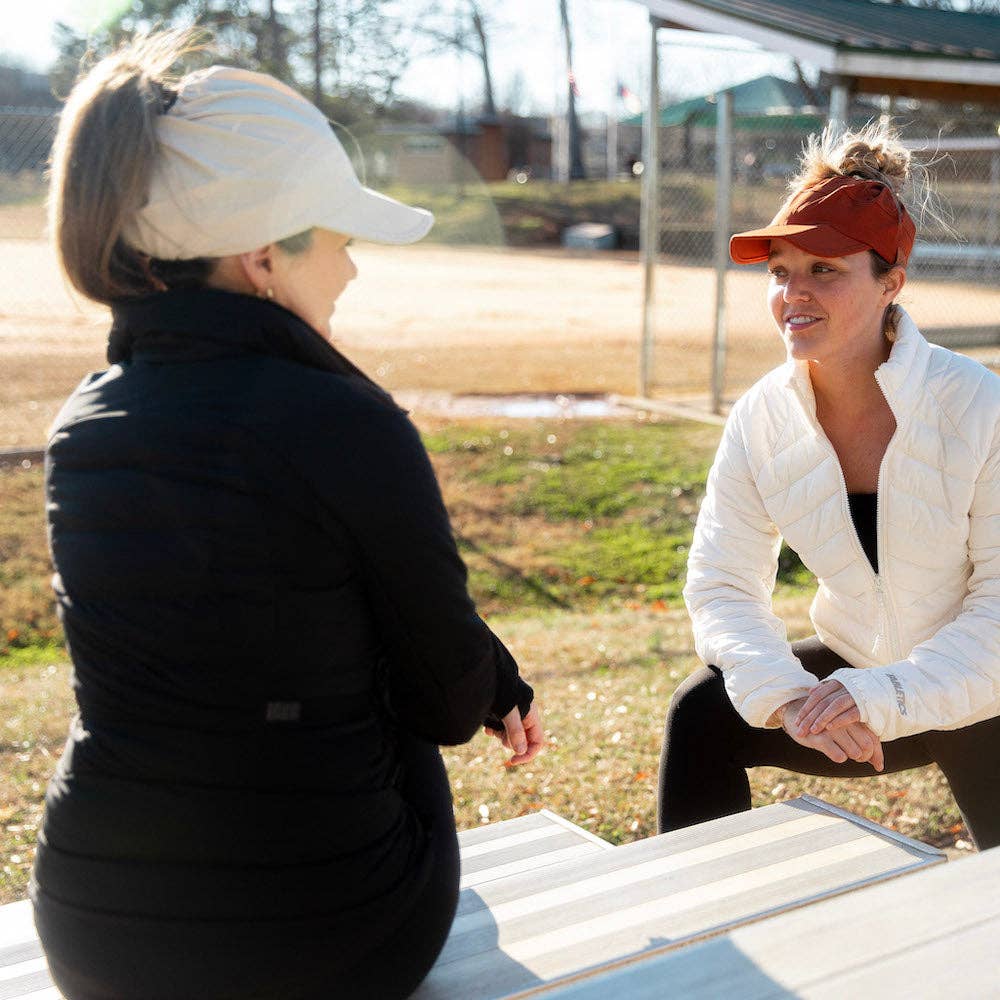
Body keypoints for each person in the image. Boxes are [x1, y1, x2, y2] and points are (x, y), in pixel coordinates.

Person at [32, 32, 542, 1000]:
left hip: (95, 937)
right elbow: (442, 703)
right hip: (318, 944)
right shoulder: (345, 419)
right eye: (339, 240)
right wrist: (483, 676)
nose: (350, 271)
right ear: (262, 256)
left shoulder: (81, 424)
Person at [658, 122, 1000, 851]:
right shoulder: (762, 418)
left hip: (981, 688)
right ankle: (700, 917)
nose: (793, 294)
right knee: (702, 714)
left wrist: (887, 692)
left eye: (824, 270)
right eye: (780, 271)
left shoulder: (978, 405)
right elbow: (722, 583)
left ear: (891, 284)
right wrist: (787, 697)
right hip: (852, 685)